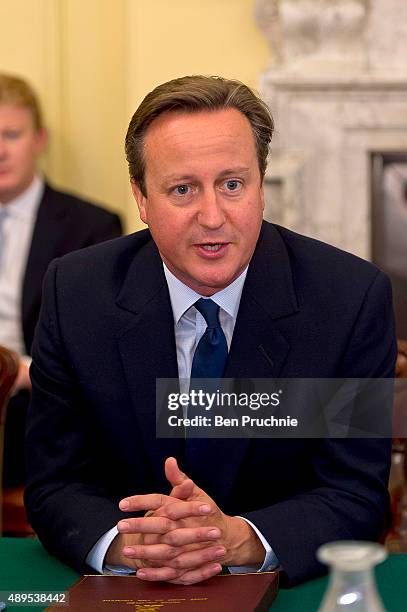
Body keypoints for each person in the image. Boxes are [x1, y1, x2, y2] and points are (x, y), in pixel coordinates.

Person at [25, 75, 396, 586]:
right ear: (141, 198)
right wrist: (123, 542)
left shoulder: (348, 300)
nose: (213, 216)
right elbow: (54, 481)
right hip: (132, 587)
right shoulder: (77, 293)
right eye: (183, 189)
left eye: (232, 184)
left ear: (261, 188)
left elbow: (355, 493)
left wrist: (241, 538)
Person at [0, 73, 122, 487]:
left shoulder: (91, 227)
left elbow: (96, 354)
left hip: (37, 403)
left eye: (11, 134)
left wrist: (22, 373)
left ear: (39, 140)